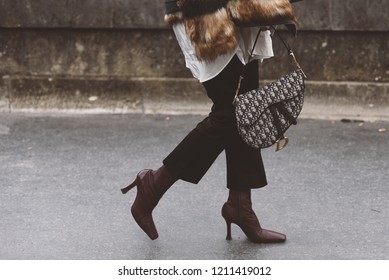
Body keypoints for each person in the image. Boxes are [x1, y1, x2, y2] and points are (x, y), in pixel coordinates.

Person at [121, 0, 300, 243]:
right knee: (229, 114)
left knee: (245, 109)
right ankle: (154, 183)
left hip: (241, 11)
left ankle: (240, 205)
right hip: (206, 14)